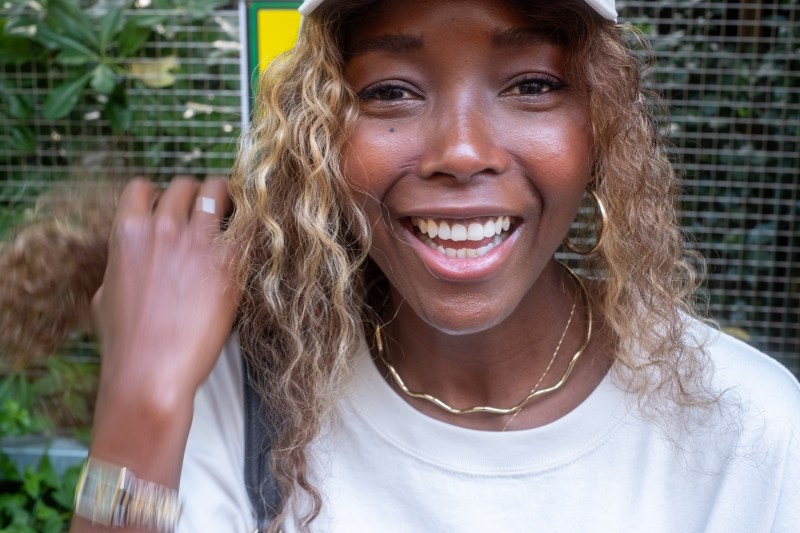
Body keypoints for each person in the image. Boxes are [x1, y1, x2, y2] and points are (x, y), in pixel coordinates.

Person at [59, 0, 800, 532]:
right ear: (319, 134)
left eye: (532, 84)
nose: (462, 151)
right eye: (390, 91)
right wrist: (142, 399)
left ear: (602, 123)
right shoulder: (245, 397)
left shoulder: (752, 431)